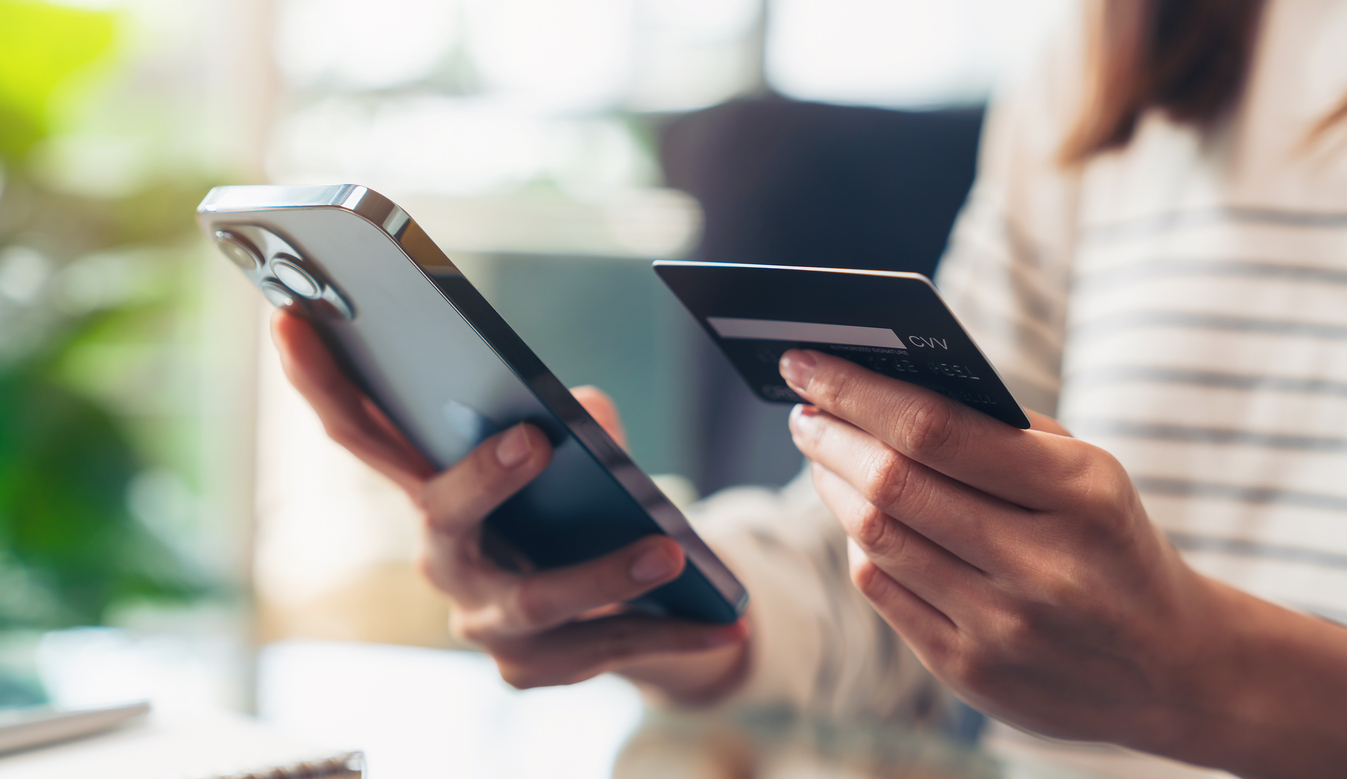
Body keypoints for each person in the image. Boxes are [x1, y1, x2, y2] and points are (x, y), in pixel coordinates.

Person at [271, 0, 1347, 776]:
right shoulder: (1125, 45)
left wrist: (1195, 671)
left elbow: (1130, 654)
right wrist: (654, 587)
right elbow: (904, 614)